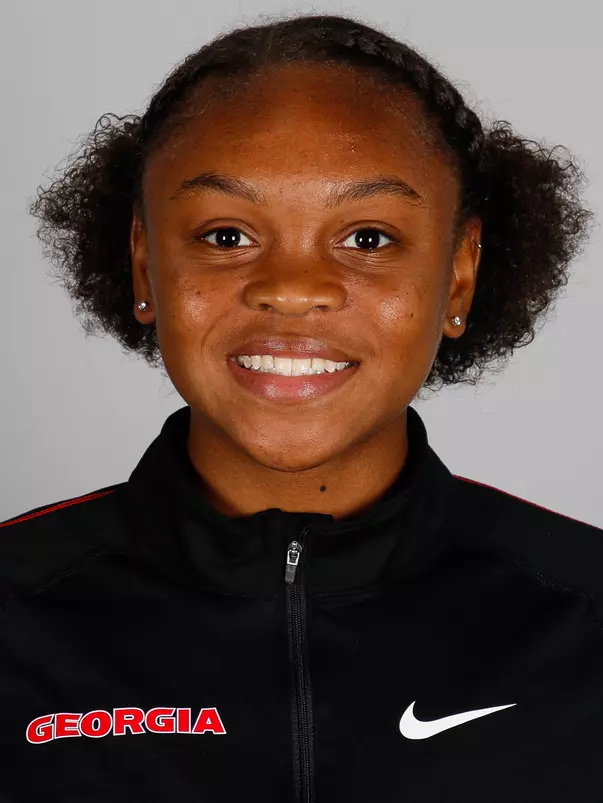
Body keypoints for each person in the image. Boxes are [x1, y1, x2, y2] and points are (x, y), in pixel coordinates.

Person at [1, 11, 600, 802]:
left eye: (367, 239)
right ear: (145, 266)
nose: (291, 288)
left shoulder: (583, 615)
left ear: (457, 276)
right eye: (224, 236)